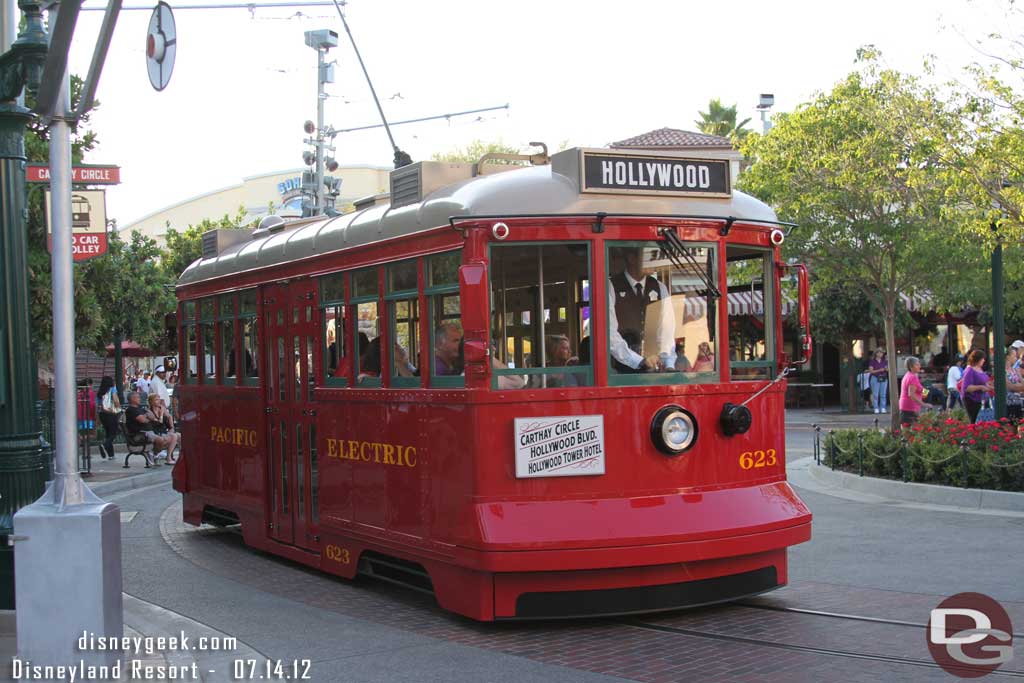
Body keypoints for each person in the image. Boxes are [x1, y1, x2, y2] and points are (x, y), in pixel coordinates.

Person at [607, 248, 676, 372]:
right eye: (649, 257)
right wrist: (637, 361)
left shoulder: (660, 288)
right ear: (631, 258)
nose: (654, 262)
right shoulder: (611, 287)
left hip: (654, 370)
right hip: (621, 371)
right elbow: (609, 333)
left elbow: (667, 330)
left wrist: (669, 364)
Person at [124, 392, 177, 465]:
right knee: (160, 440)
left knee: (173, 436)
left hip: (149, 432)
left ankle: (158, 455)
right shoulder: (131, 410)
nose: (140, 399)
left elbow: (152, 417)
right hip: (140, 434)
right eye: (138, 397)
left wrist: (147, 417)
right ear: (133, 399)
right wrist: (147, 416)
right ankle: (155, 454)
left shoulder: (140, 408)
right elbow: (142, 420)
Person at [961, 349, 995, 424]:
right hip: (971, 399)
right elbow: (966, 388)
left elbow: (984, 382)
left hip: (981, 399)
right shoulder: (969, 370)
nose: (984, 361)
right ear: (978, 359)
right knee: (974, 420)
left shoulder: (980, 369)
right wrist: (981, 387)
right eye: (983, 359)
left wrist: (990, 387)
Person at [147, 394, 177, 464]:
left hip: (163, 431)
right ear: (151, 402)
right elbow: (159, 422)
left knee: (178, 436)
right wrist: (161, 414)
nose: (159, 401)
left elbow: (169, 417)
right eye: (156, 399)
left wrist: (172, 427)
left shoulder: (161, 408)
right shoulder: (149, 411)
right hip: (156, 432)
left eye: (159, 399)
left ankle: (169, 457)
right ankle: (159, 454)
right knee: (174, 436)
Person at [899, 356, 928, 426]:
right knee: (913, 431)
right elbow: (911, 394)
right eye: (917, 365)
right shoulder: (912, 377)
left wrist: (926, 392)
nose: (919, 366)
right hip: (910, 408)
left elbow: (919, 390)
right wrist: (923, 404)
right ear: (911, 367)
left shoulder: (910, 375)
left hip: (907, 407)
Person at [96, 376, 120, 460]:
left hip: (102, 414)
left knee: (108, 433)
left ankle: (111, 455)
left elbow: (99, 405)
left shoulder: (100, 392)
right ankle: (104, 445)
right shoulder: (112, 389)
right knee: (113, 433)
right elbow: (116, 401)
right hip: (111, 413)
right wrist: (118, 408)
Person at [1005, 347, 1024, 422]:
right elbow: (1011, 386)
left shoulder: (1015, 370)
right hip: (1008, 404)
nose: (1016, 358)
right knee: (1010, 428)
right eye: (1014, 356)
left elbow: (1021, 383)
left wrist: (1018, 386)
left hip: (1019, 403)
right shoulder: (1003, 371)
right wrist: (1018, 386)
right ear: (1008, 357)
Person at [868, 349, 889, 414]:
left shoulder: (884, 361)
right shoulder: (872, 361)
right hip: (875, 378)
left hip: (883, 378)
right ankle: (876, 408)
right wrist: (879, 370)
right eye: (879, 353)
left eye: (882, 353)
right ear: (876, 353)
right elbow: (871, 371)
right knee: (875, 394)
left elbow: (888, 369)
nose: (881, 354)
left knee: (883, 394)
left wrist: (886, 369)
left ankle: (883, 407)